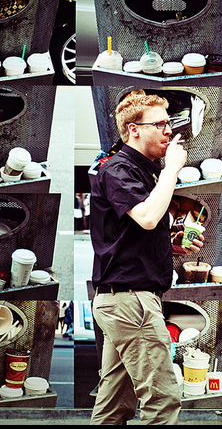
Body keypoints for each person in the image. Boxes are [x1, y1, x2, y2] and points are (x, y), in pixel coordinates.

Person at [89, 93, 203, 425]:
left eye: (170, 123)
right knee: (163, 399)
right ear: (133, 129)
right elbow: (148, 217)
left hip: (124, 300)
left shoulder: (137, 170)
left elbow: (133, 233)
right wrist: (172, 170)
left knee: (114, 405)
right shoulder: (119, 169)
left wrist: (173, 244)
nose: (169, 130)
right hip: (131, 302)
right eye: (161, 124)